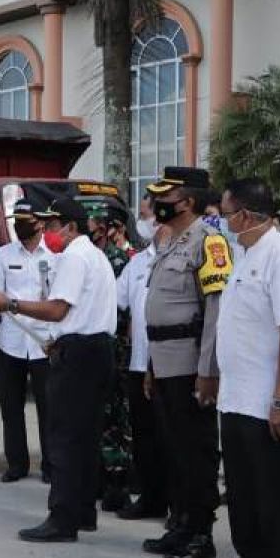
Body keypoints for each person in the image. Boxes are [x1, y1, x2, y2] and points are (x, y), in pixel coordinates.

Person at [203, 179, 280, 558]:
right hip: (237, 397)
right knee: (245, 491)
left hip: (270, 402)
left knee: (275, 496)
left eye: (226, 213)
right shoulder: (246, 255)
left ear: (245, 215)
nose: (223, 221)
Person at [0, 198, 117, 541]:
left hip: (79, 354)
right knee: (85, 437)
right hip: (95, 347)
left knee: (64, 439)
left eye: (53, 224)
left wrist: (11, 303)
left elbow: (58, 309)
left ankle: (63, 518)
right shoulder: (96, 256)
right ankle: (83, 510)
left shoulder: (74, 256)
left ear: (71, 226)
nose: (47, 231)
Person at [142, 167, 230, 558]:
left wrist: (207, 369)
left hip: (190, 359)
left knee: (196, 450)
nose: (157, 205)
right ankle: (179, 522)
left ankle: (200, 531)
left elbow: (214, 309)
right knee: (174, 447)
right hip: (163, 359)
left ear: (188, 202)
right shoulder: (169, 242)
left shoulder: (209, 243)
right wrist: (149, 366)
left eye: (166, 198)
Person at [0, 201, 56, 483]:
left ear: (40, 223)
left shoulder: (56, 255)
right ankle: (16, 463)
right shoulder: (2, 254)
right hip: (10, 342)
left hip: (44, 342)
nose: (18, 224)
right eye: (16, 219)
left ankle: (51, 464)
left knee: (49, 408)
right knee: (10, 407)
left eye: (25, 220)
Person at [116, 208, 170, 521]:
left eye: (152, 215)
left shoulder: (181, 257)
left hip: (171, 365)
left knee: (171, 439)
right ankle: (150, 498)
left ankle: (177, 504)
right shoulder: (136, 263)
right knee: (144, 436)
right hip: (139, 364)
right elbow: (116, 301)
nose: (148, 221)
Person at [89, 205, 135, 511]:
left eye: (92, 225)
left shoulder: (118, 261)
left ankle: (117, 481)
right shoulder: (87, 258)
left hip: (115, 351)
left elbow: (123, 309)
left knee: (116, 418)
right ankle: (99, 477)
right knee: (98, 416)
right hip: (96, 348)